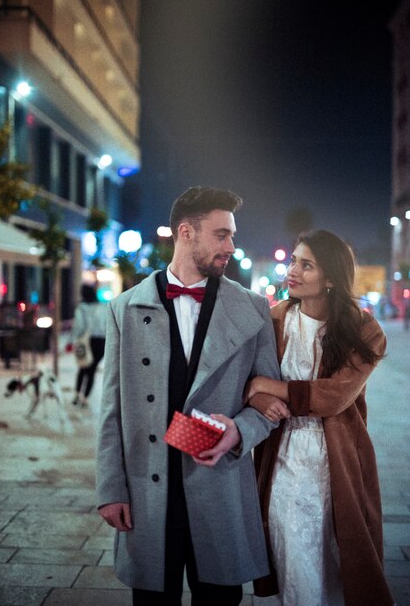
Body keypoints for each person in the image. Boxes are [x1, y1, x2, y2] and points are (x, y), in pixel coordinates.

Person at [96, 186, 285, 605]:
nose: (231, 247)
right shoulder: (124, 308)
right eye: (221, 235)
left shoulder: (253, 309)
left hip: (219, 486)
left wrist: (239, 432)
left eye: (232, 235)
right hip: (149, 490)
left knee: (219, 599)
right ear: (186, 232)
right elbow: (112, 409)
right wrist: (111, 489)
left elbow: (272, 404)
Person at [246, 230, 394, 606]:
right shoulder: (273, 320)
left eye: (306, 264)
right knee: (293, 558)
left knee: (338, 561)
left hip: (339, 462)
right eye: (293, 260)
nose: (292, 271)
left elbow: (335, 395)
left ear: (330, 278)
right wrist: (259, 394)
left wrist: (268, 385)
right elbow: (244, 379)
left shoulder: (364, 330)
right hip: (280, 457)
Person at [70, 283, 106, 407]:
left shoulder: (82, 307)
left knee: (83, 367)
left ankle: (76, 395)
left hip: (87, 341)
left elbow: (78, 326)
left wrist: (71, 340)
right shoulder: (103, 306)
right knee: (92, 369)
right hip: (102, 341)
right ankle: (85, 398)